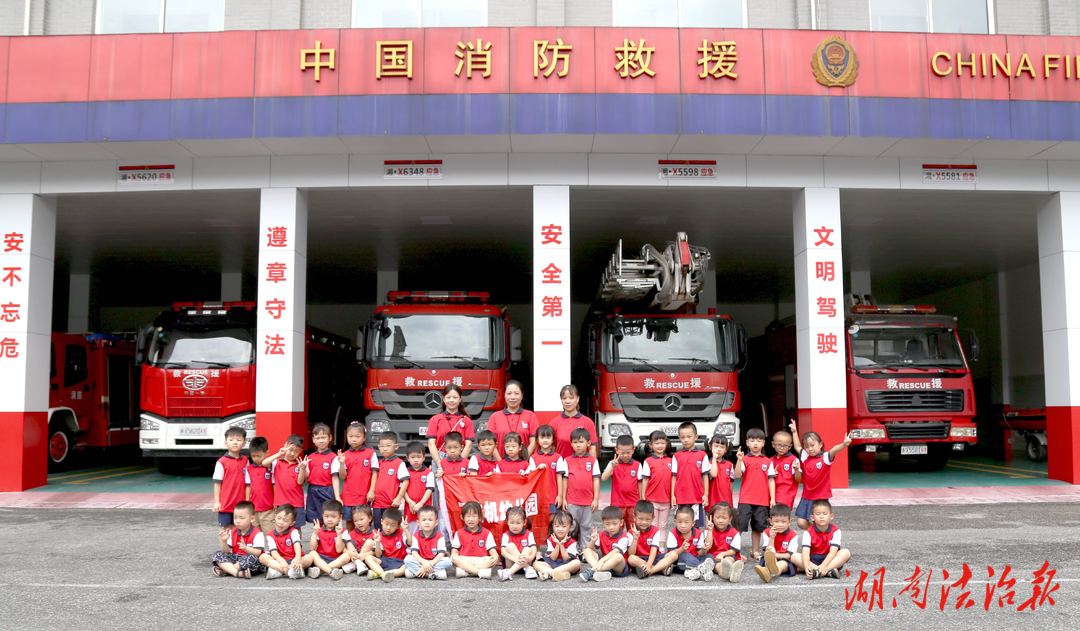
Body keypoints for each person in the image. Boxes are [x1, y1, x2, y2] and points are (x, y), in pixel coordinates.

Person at [790, 419, 852, 530]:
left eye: (813, 445)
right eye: (807, 446)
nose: (810, 449)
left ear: (820, 444)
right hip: (806, 497)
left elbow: (834, 450)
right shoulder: (805, 457)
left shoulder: (825, 458)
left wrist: (844, 444)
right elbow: (797, 447)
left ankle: (821, 537)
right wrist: (794, 431)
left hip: (821, 498)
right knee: (801, 523)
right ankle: (815, 532)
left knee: (820, 522)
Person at [736, 427, 776, 558]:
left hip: (762, 500)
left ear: (763, 443)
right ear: (747, 443)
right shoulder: (745, 459)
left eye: (759, 440)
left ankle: (755, 552)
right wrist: (739, 460)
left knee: (758, 527)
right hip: (745, 500)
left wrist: (772, 498)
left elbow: (771, 480)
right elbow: (737, 475)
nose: (755, 443)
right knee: (739, 526)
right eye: (752, 440)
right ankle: (734, 551)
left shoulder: (768, 461)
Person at [556, 427, 600, 533]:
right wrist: (564, 498)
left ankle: (585, 548)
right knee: (571, 525)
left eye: (581, 442)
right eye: (575, 442)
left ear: (589, 443)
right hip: (572, 501)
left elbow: (596, 480)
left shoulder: (593, 461)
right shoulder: (567, 461)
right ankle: (572, 547)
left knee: (586, 526)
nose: (578, 445)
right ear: (571, 444)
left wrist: (596, 499)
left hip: (588, 501)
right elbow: (565, 480)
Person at [794, 499, 851, 580]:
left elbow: (833, 551)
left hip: (831, 561)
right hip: (813, 560)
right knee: (794, 556)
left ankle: (819, 572)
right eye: (818, 514)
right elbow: (806, 551)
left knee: (846, 552)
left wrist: (824, 565)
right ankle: (827, 572)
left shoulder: (836, 531)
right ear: (812, 517)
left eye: (825, 514)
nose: (821, 516)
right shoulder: (808, 532)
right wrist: (807, 566)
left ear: (831, 516)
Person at [337, 421, 378, 529]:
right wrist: (341, 463)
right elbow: (342, 476)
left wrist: (372, 491)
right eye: (350, 436)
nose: (354, 439)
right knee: (350, 522)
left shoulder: (371, 453)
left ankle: (365, 544)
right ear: (346, 437)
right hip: (348, 496)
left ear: (364, 438)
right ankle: (351, 544)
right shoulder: (345, 455)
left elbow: (374, 473)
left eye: (357, 436)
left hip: (364, 495)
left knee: (365, 523)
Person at [212, 501, 265, 578]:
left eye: (241, 518)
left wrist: (246, 549)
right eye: (235, 517)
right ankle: (237, 573)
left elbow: (258, 552)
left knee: (252, 558)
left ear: (252, 518)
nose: (237, 521)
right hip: (236, 558)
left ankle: (227, 569)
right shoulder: (233, 532)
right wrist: (224, 541)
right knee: (217, 554)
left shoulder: (257, 533)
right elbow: (225, 551)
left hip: (250, 560)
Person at [671, 422, 710, 528]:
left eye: (689, 436)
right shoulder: (676, 456)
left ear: (696, 437)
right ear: (679, 438)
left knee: (695, 525)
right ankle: (683, 545)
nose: (686, 440)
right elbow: (674, 476)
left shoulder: (703, 455)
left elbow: (705, 476)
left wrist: (706, 494)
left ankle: (695, 544)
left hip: (696, 497)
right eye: (683, 437)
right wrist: (672, 495)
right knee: (682, 525)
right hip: (681, 497)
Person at [486, 380, 539, 457]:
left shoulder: (530, 416)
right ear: (504, 395)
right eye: (509, 393)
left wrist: (523, 461)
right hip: (500, 465)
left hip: (524, 465)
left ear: (522, 395)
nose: (513, 397)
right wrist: (501, 463)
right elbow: (491, 443)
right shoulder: (494, 417)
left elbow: (533, 442)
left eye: (516, 393)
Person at [449, 501, 500, 579]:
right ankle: (479, 572)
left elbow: (492, 550)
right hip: (465, 560)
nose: (471, 519)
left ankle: (466, 572)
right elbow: (454, 550)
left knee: (491, 560)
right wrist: (453, 554)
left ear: (479, 517)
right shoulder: (459, 533)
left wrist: (495, 556)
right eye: (468, 516)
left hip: (481, 560)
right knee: (455, 558)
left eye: (474, 516)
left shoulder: (487, 533)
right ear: (463, 517)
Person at [303, 499, 352, 580]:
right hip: (321, 557)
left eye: (333, 516)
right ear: (322, 516)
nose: (329, 519)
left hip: (336, 559)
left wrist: (339, 534)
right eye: (327, 516)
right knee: (312, 553)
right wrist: (315, 534)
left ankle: (322, 570)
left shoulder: (343, 531)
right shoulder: (319, 530)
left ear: (340, 517)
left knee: (346, 556)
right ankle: (330, 571)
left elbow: (339, 550)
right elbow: (311, 548)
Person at [602, 434, 641, 532]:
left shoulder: (637, 465)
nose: (625, 455)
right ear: (617, 450)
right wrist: (612, 467)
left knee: (633, 529)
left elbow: (640, 483)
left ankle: (632, 547)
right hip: (617, 503)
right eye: (622, 453)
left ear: (633, 450)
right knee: (616, 529)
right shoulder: (613, 463)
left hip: (633, 503)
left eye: (628, 452)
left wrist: (642, 498)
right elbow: (603, 478)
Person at [426, 383, 474, 463]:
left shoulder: (467, 421)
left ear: (460, 399)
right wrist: (439, 463)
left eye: (455, 397)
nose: (451, 400)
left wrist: (460, 463)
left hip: (460, 458)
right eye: (448, 397)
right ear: (444, 399)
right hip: (439, 458)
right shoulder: (435, 419)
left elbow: (468, 445)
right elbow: (431, 444)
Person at [580, 506, 631, 582]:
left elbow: (616, 551)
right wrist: (593, 541)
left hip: (617, 567)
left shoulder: (624, 537)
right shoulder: (601, 534)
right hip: (604, 563)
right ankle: (601, 571)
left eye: (615, 524)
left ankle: (594, 570)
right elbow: (590, 548)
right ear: (603, 523)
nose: (611, 527)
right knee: (586, 550)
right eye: (608, 524)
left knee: (618, 556)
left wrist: (601, 561)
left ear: (621, 523)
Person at [529, 424, 565, 532]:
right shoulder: (533, 458)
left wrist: (560, 495)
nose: (545, 440)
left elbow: (559, 477)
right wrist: (537, 470)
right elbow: (530, 477)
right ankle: (538, 547)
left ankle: (551, 545)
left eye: (548, 437)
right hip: (537, 496)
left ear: (553, 439)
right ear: (537, 440)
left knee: (552, 522)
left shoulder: (558, 458)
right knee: (537, 522)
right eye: (542, 437)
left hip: (552, 496)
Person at [665, 505, 714, 581]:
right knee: (686, 554)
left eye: (686, 522)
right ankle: (701, 568)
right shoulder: (672, 533)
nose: (683, 525)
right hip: (679, 562)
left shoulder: (699, 533)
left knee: (710, 556)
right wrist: (682, 549)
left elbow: (699, 553)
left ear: (693, 522)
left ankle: (691, 572)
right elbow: (672, 554)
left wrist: (704, 550)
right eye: (679, 522)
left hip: (694, 559)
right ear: (675, 522)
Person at [212, 427, 249, 528]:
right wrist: (217, 502)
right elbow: (217, 483)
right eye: (231, 440)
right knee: (224, 530)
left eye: (239, 440)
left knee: (238, 529)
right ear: (225, 443)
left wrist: (247, 501)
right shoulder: (221, 462)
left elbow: (247, 483)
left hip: (240, 505)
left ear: (244, 443)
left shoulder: (245, 460)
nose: (235, 443)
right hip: (225, 504)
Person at [626, 500, 674, 579]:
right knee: (631, 559)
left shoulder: (656, 531)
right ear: (634, 517)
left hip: (654, 557)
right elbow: (631, 553)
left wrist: (648, 564)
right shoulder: (631, 532)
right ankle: (659, 569)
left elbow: (654, 550)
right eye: (640, 519)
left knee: (673, 554)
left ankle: (649, 571)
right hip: (640, 559)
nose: (644, 522)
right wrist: (635, 539)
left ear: (653, 518)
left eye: (648, 519)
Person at [259, 503, 307, 580]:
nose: (280, 522)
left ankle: (278, 571)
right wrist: (282, 561)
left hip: (294, 560)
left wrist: (297, 557)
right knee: (262, 557)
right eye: (279, 518)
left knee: (311, 556)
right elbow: (273, 552)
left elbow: (297, 544)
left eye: (285, 520)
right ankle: (290, 571)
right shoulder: (270, 535)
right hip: (279, 560)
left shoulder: (293, 532)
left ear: (292, 523)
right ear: (275, 517)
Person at [434, 431, 469, 538]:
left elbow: (471, 481)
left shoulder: (467, 462)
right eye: (449, 448)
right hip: (445, 502)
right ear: (444, 448)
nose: (452, 451)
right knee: (443, 527)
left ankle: (458, 548)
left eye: (455, 447)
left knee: (460, 525)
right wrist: (438, 475)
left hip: (461, 502)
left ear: (461, 448)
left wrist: (465, 476)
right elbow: (438, 481)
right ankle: (445, 550)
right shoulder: (442, 463)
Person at [270, 435, 308, 530]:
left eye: (296, 451)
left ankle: (297, 545)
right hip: (281, 502)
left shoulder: (300, 464)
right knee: (280, 527)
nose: (292, 453)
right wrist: (279, 453)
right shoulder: (276, 462)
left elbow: (300, 482)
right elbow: (264, 463)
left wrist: (302, 468)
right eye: (290, 450)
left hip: (297, 503)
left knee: (296, 528)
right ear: (285, 446)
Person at [638, 430, 673, 535]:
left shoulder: (671, 461)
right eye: (657, 443)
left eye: (662, 443)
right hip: (652, 499)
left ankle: (661, 548)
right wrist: (643, 495)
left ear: (666, 444)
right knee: (653, 526)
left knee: (663, 525)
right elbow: (645, 479)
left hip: (666, 500)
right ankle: (653, 547)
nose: (660, 446)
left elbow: (674, 480)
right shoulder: (648, 461)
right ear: (651, 444)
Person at [305, 423, 339, 527]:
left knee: (329, 518)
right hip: (312, 490)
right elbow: (307, 476)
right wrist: (302, 468)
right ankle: (317, 540)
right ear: (313, 440)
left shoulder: (334, 457)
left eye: (323, 437)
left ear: (330, 438)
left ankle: (330, 540)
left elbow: (335, 477)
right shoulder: (310, 457)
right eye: (318, 438)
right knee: (315, 520)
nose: (321, 440)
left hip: (327, 490)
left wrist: (337, 497)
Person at [372, 431, 410, 526]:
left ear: (396, 446)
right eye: (382, 446)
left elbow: (405, 481)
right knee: (377, 527)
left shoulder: (399, 463)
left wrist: (399, 498)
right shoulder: (378, 463)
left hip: (390, 503)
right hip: (377, 503)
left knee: (390, 527)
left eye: (388, 446)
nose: (385, 449)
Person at [755, 503, 799, 583]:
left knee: (781, 564)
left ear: (790, 522)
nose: (780, 525)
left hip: (785, 560)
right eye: (776, 521)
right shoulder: (767, 532)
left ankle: (768, 572)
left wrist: (776, 555)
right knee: (769, 560)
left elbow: (789, 555)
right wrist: (772, 537)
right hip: (771, 558)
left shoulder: (793, 535)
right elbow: (768, 551)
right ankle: (768, 572)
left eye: (783, 522)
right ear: (770, 521)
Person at [404, 506, 451, 580]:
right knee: (407, 559)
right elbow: (414, 553)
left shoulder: (440, 536)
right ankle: (433, 574)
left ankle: (417, 573)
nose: (427, 522)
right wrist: (424, 563)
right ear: (418, 522)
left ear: (436, 522)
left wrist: (430, 564)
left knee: (448, 561)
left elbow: (441, 554)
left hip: (434, 562)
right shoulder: (416, 535)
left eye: (430, 520)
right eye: (424, 520)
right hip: (421, 562)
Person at [365, 507, 411, 583]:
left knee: (405, 568)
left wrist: (406, 529)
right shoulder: (379, 535)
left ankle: (378, 573)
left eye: (393, 525)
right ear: (381, 521)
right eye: (386, 524)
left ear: (398, 526)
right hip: (385, 560)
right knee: (368, 558)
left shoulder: (402, 533)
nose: (388, 528)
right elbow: (378, 555)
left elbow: (410, 542)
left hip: (399, 561)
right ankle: (383, 574)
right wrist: (377, 542)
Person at [551, 385, 598, 458]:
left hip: (582, 467)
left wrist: (592, 467)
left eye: (571, 398)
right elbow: (552, 447)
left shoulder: (588, 422)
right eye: (564, 398)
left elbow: (592, 448)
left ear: (577, 399)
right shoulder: (554, 423)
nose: (567, 401)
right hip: (561, 467)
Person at [532, 510, 580, 581]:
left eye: (564, 526)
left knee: (577, 563)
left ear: (571, 528)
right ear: (553, 526)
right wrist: (557, 545)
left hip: (566, 563)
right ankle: (558, 574)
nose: (560, 529)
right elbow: (553, 558)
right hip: (554, 562)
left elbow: (566, 559)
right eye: (557, 526)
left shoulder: (572, 541)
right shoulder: (551, 539)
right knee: (535, 564)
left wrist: (562, 545)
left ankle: (549, 572)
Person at [243, 436, 276, 534]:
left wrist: (275, 501)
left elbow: (274, 485)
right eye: (253, 456)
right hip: (254, 508)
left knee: (269, 533)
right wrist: (247, 502)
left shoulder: (270, 468)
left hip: (268, 507)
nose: (256, 458)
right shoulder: (249, 469)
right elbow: (248, 485)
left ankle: (270, 550)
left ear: (266, 453)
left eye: (259, 456)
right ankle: (258, 550)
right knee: (255, 533)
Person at [706, 501, 744, 583]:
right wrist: (709, 531)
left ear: (730, 518)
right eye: (718, 517)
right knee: (718, 565)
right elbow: (708, 546)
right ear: (712, 518)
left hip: (728, 555)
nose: (721, 520)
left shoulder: (734, 532)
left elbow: (734, 551)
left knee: (729, 559)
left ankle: (732, 570)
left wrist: (722, 554)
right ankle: (728, 574)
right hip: (713, 556)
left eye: (724, 518)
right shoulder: (708, 530)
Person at [402, 441, 435, 534]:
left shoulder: (428, 472)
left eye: (419, 457)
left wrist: (421, 503)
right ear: (408, 458)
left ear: (424, 457)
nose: (416, 460)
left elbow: (429, 489)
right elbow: (403, 490)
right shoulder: (405, 472)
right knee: (410, 530)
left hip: (424, 508)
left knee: (425, 528)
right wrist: (410, 502)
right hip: (410, 508)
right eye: (412, 457)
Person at [499, 506, 538, 580]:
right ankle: (528, 568)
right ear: (507, 522)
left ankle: (509, 572)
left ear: (524, 522)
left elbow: (534, 549)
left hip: (526, 561)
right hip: (511, 563)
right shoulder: (506, 535)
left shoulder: (529, 534)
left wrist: (530, 557)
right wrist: (514, 558)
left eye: (518, 523)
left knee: (527, 549)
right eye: (512, 523)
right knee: (510, 546)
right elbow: (503, 551)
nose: (515, 526)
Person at [771, 428, 802, 512]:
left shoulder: (794, 460)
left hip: (786, 496)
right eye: (779, 445)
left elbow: (799, 480)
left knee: (781, 519)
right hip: (771, 495)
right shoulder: (770, 461)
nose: (782, 448)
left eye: (785, 446)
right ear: (773, 444)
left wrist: (796, 470)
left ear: (790, 447)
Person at [345, 504, 377, 577]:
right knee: (349, 542)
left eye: (361, 519)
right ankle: (358, 563)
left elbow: (376, 551)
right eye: (355, 521)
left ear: (369, 518)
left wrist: (364, 555)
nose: (359, 523)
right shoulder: (352, 533)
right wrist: (351, 554)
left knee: (370, 542)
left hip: (366, 557)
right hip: (354, 557)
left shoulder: (375, 533)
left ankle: (357, 563)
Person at [707, 435, 735, 512]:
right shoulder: (707, 463)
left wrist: (730, 498)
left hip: (725, 502)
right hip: (711, 501)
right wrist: (714, 459)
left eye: (722, 447)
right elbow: (713, 474)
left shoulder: (729, 465)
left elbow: (731, 483)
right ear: (710, 447)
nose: (718, 449)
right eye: (716, 446)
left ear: (726, 449)